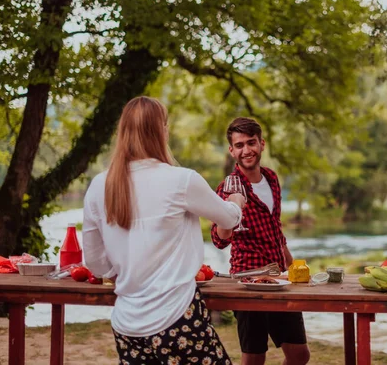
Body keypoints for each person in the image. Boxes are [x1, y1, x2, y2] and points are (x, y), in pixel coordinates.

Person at [82, 96, 246, 365]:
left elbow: (97, 265)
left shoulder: (99, 185)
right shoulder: (181, 180)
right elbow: (228, 219)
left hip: (128, 325)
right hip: (177, 317)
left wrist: (126, 274)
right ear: (161, 131)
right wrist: (237, 202)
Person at [211, 117, 310, 365]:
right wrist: (231, 209)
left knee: (299, 355)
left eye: (251, 143)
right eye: (240, 145)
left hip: (280, 278)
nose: (247, 150)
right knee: (254, 358)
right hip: (248, 280)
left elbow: (276, 226)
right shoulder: (228, 187)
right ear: (231, 150)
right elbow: (219, 240)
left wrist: (291, 264)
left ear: (262, 144)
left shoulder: (272, 178)